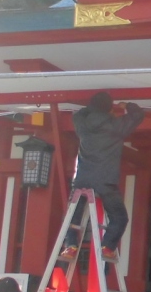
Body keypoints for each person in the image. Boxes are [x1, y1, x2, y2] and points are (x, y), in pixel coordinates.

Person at [60, 91, 145, 262]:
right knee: (119, 217)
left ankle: (71, 246)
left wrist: (92, 109)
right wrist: (126, 106)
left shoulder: (82, 124)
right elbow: (138, 115)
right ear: (109, 108)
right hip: (106, 180)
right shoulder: (115, 126)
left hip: (82, 178)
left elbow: (78, 114)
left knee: (73, 215)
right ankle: (107, 247)